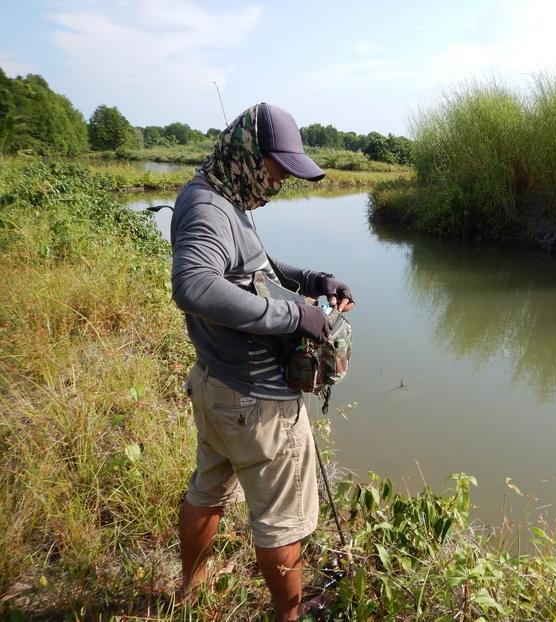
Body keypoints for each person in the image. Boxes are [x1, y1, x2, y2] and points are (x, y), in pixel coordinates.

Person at [170, 103, 354, 621]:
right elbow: (194, 286)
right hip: (258, 403)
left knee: (207, 488)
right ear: (247, 153)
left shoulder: (223, 195)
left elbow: (256, 267)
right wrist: (294, 317)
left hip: (216, 385)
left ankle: (191, 587)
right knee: (282, 521)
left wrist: (315, 282)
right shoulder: (209, 208)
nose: (277, 182)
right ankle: (287, 617)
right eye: (275, 168)